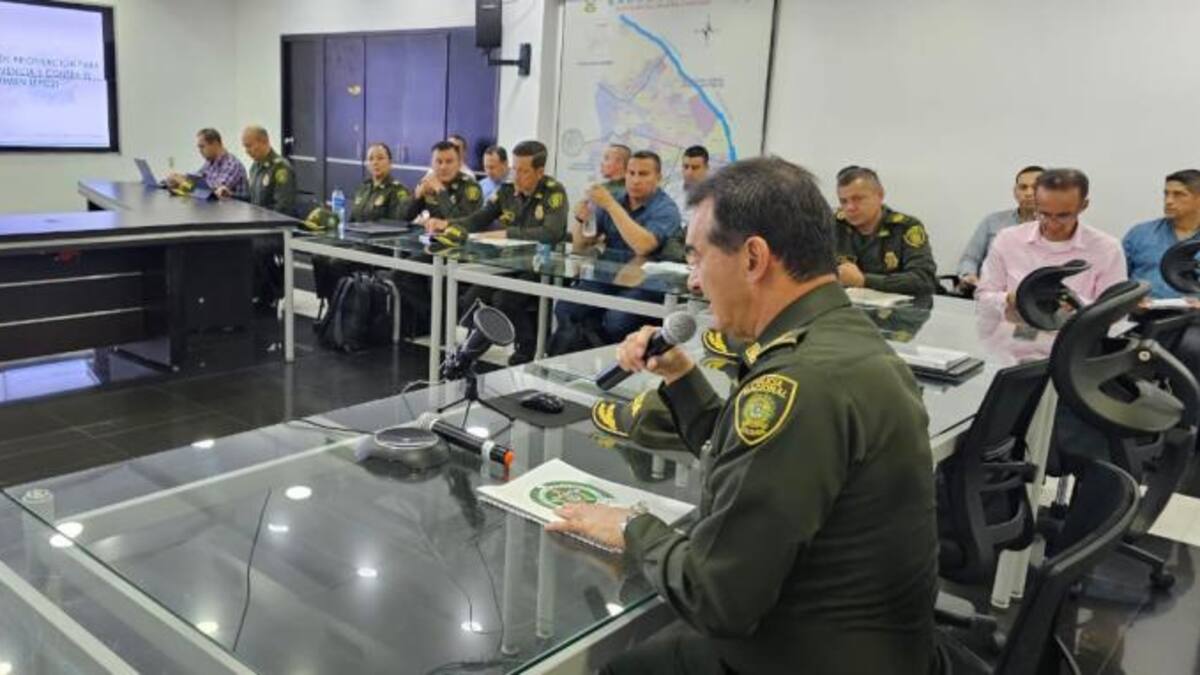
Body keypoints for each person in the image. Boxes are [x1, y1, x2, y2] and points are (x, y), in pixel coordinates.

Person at [546, 157, 937, 675]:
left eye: (698, 258)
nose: (694, 282)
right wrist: (682, 377)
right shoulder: (841, 337)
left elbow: (716, 597)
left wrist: (632, 527)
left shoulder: (799, 383)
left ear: (754, 257)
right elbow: (754, 453)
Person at [429, 140, 569, 364]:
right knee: (472, 297)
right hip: (509, 262)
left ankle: (527, 347)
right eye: (514, 169)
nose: (516, 176)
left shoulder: (554, 192)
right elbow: (478, 219)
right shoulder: (507, 190)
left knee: (504, 299)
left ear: (540, 172)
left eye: (523, 171)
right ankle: (473, 350)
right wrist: (448, 224)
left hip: (542, 264)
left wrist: (507, 233)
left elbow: (551, 232)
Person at [551, 150, 682, 350]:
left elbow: (643, 246)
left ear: (658, 178)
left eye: (643, 174)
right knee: (566, 307)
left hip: (647, 285)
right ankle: (569, 356)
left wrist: (611, 206)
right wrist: (580, 219)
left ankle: (610, 358)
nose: (635, 180)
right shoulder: (616, 198)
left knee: (617, 320)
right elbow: (581, 245)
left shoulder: (666, 209)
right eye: (631, 173)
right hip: (609, 277)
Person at [976, 168, 1126, 309]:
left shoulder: (1106, 249)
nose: (1052, 224)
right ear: (1036, 203)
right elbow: (983, 295)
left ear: (1083, 205)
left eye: (1063, 216)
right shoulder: (1008, 239)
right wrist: (1010, 299)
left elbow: (1113, 309)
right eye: (1044, 214)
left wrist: (1076, 304)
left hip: (1077, 327)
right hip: (1011, 326)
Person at [833, 166, 937, 295]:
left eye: (858, 199)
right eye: (843, 201)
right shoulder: (832, 225)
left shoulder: (905, 227)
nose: (850, 207)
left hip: (902, 306)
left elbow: (924, 280)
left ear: (880, 195)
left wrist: (864, 281)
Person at [956, 165, 1044, 290]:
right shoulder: (993, 221)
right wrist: (968, 275)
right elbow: (970, 258)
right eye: (1023, 187)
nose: (1029, 193)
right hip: (991, 293)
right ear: (1015, 192)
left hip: (1036, 295)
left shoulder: (1058, 227)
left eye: (1035, 188)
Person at [1123, 169, 1200, 299]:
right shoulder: (1140, 234)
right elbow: (1117, 281)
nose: (1169, 201)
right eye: (1166, 194)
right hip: (1144, 310)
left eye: (1179, 194)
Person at [405, 140, 483, 221]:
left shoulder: (470, 186)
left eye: (449, 162)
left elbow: (464, 222)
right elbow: (402, 218)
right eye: (439, 162)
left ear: (459, 164)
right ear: (432, 164)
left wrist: (440, 190)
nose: (443, 167)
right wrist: (416, 197)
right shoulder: (428, 182)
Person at [166, 128, 248, 199]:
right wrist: (177, 182)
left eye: (202, 146)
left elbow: (212, 193)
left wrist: (183, 182)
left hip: (230, 211)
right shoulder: (210, 163)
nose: (200, 151)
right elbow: (196, 182)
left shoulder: (231, 164)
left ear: (215, 144)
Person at [241, 125, 296, 216]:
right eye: (245, 147)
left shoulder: (280, 168)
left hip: (274, 222)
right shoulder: (255, 167)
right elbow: (252, 198)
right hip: (257, 220)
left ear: (264, 141)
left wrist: (259, 217)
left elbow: (283, 207)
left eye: (249, 146)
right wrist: (231, 195)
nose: (247, 151)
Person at [680, 144, 711, 227]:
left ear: (706, 168)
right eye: (686, 167)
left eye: (695, 168)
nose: (689, 173)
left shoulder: (716, 197)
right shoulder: (670, 190)